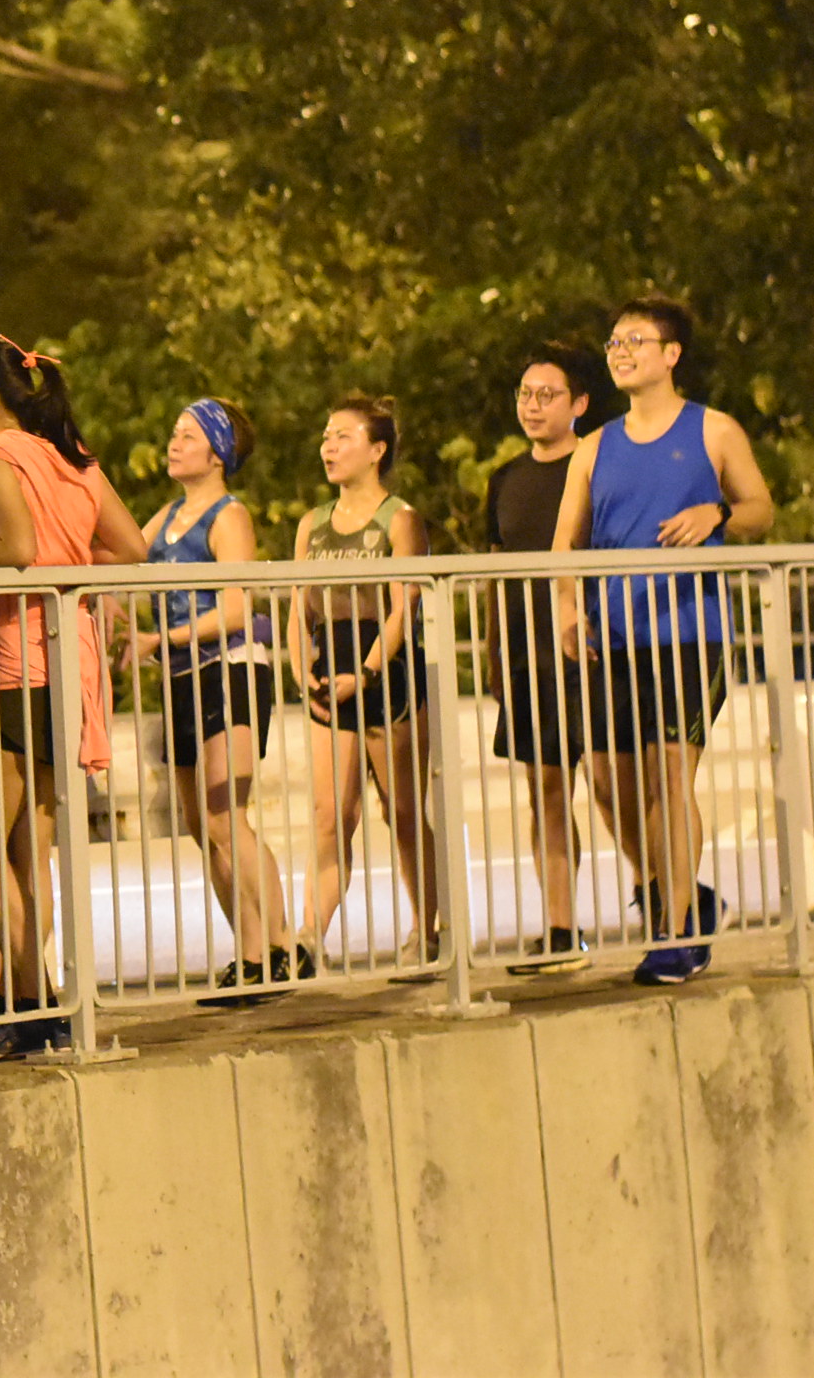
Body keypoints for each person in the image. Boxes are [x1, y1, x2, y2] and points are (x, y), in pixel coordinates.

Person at [0, 336, 146, 1060]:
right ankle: (39, 1001)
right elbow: (131, 547)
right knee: (33, 852)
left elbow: (17, 548)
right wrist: (70, 568)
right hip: (68, 660)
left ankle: (35, 998)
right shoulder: (68, 456)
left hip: (14, 665)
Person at [553, 295, 773, 985]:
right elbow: (565, 545)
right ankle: (685, 895)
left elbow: (761, 510)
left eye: (636, 341)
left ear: (671, 354)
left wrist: (717, 514)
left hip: (688, 633)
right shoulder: (594, 447)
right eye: (614, 343)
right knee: (609, 782)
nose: (621, 352)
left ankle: (674, 933)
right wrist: (568, 610)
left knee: (669, 774)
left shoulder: (714, 430)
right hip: (613, 639)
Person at [130, 398, 288, 1003]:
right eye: (173, 432)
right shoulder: (168, 515)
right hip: (182, 677)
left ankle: (271, 951)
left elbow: (236, 608)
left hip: (229, 667)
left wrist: (159, 639)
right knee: (204, 825)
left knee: (226, 817)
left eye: (188, 435)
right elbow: (120, 554)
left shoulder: (229, 516)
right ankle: (255, 950)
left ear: (219, 453)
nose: (174, 443)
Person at [285, 396, 446, 982]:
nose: (329, 447)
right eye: (326, 436)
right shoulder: (312, 523)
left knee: (401, 811)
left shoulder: (400, 519)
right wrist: (301, 668)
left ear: (377, 450)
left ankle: (428, 929)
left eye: (343, 437)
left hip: (387, 669)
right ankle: (308, 937)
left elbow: (403, 608)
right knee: (331, 814)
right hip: (330, 668)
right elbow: (297, 607)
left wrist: (370, 672)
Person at [485, 345, 605, 973]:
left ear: (579, 403)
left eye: (546, 395)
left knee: (614, 788)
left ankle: (667, 906)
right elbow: (494, 571)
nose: (532, 406)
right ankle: (561, 928)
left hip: (594, 651)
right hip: (528, 657)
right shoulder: (505, 479)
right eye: (525, 394)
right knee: (547, 792)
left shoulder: (597, 469)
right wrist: (494, 655)